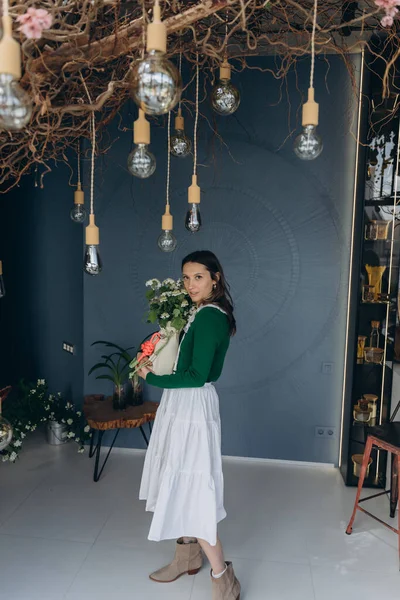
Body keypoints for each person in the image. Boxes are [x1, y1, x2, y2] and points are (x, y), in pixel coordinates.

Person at [137, 250, 241, 600]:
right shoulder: (196, 311)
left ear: (215, 278)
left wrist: (151, 376)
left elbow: (196, 376)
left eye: (198, 277)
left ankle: (223, 577)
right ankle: (187, 557)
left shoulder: (211, 316)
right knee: (179, 477)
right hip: (182, 404)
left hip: (193, 405)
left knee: (195, 490)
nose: (190, 284)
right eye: (185, 277)